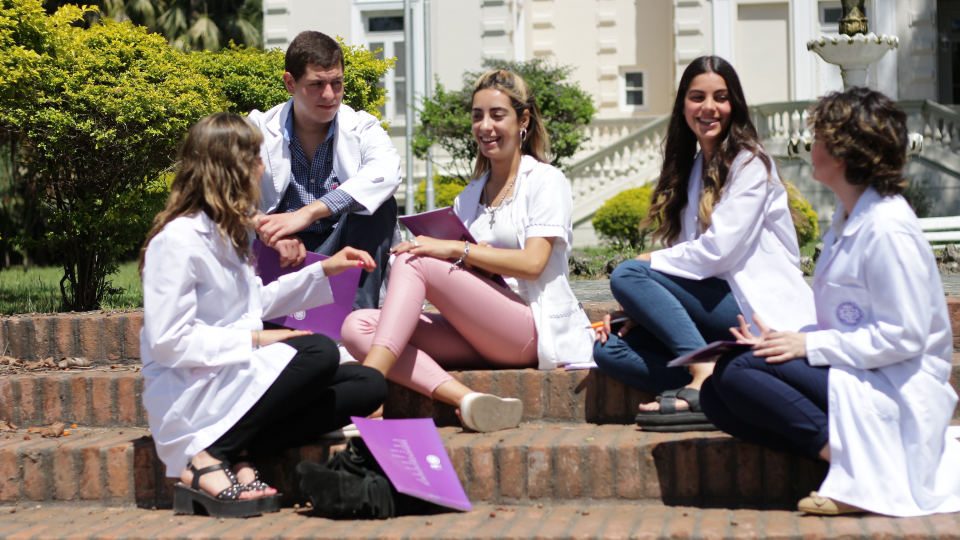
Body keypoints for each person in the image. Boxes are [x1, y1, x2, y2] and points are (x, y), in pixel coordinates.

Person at [701, 87, 960, 517]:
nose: (811, 147)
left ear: (841, 153)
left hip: (898, 383)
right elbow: (851, 323)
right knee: (716, 395)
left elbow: (906, 335)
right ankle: (859, 461)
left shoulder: (888, 229)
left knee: (738, 373)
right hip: (862, 370)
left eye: (819, 138)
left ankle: (867, 474)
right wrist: (788, 338)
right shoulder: (848, 220)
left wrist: (809, 347)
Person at [139, 113, 387, 518]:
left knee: (368, 382)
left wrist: (325, 269)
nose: (262, 166)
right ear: (230, 168)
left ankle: (237, 446)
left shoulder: (229, 236)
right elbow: (168, 342)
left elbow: (256, 305)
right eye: (255, 157)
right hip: (193, 388)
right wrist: (259, 340)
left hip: (232, 378)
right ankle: (205, 460)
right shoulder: (178, 241)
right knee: (319, 352)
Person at [341, 69, 593, 432]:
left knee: (416, 260)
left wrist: (457, 250)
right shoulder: (470, 196)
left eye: (497, 115)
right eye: (477, 116)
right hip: (479, 331)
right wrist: (467, 259)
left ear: (523, 120)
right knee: (357, 326)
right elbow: (470, 271)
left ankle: (366, 391)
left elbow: (534, 263)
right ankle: (467, 399)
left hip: (531, 326)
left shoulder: (545, 181)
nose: (485, 126)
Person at [592, 56, 816, 431]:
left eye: (721, 97)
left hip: (751, 307)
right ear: (683, 105)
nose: (709, 107)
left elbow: (717, 252)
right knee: (609, 348)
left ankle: (700, 372)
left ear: (734, 106)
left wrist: (648, 261)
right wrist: (640, 311)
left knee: (627, 274)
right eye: (697, 96)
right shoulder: (694, 168)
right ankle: (719, 385)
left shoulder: (750, 164)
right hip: (714, 308)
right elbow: (682, 270)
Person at [249, 31, 401, 310]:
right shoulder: (257, 128)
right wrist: (268, 229)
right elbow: (221, 195)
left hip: (342, 251)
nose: (330, 95)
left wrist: (307, 213)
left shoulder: (363, 126)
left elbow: (387, 173)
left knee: (378, 206)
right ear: (290, 83)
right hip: (280, 256)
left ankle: (357, 320)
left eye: (336, 83)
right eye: (316, 84)